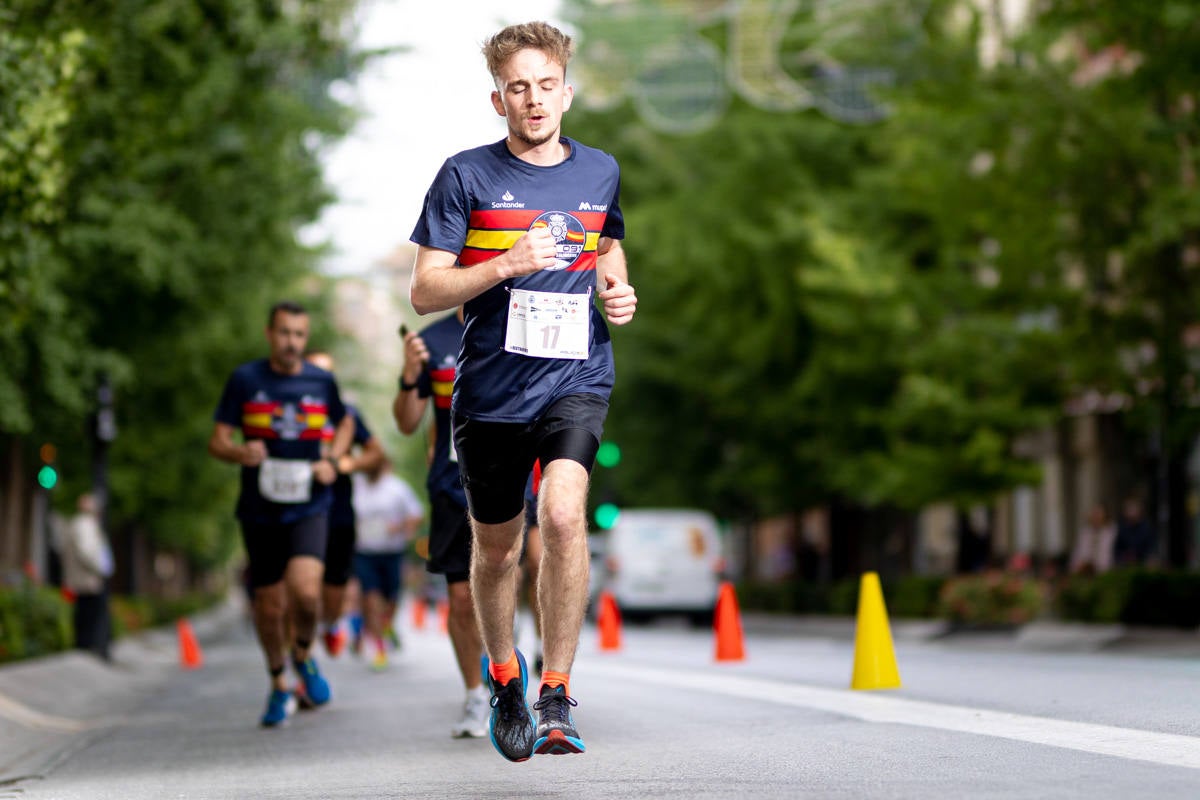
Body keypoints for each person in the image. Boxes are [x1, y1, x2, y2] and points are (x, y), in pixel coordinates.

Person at [407, 21, 637, 761]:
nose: (533, 100)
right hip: (490, 394)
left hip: (575, 376)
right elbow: (425, 290)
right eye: (517, 88)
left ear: (566, 92)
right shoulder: (464, 175)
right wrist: (506, 263)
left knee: (565, 515)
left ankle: (557, 689)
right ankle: (505, 675)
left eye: (545, 85)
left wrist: (617, 286)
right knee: (498, 552)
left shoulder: (600, 170)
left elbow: (606, 240)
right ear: (498, 99)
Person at [208, 301, 353, 727]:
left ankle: (304, 655)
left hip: (310, 502)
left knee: (306, 592)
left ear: (305, 339)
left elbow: (345, 424)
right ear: (270, 334)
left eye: (299, 335)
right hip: (260, 506)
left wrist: (334, 459)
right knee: (269, 605)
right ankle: (278, 681)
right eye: (285, 333)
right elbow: (217, 441)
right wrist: (240, 450)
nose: (291, 343)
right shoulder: (245, 380)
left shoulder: (321, 380)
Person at [393, 306, 491, 739]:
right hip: (452, 485)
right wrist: (409, 372)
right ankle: (475, 694)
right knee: (461, 598)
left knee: (512, 571)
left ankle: (505, 656)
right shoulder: (430, 341)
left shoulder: (515, 316)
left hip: (509, 476)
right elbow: (407, 421)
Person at [305, 350, 386, 659]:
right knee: (303, 584)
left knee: (334, 587)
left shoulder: (346, 415)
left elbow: (375, 452)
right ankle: (303, 651)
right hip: (297, 510)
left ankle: (329, 622)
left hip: (337, 512)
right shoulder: (290, 409)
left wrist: (347, 464)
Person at [351, 455, 423, 670]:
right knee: (370, 599)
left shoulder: (397, 488)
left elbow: (416, 515)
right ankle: (379, 648)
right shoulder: (356, 486)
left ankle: (386, 625)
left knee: (391, 599)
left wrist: (401, 527)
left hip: (392, 552)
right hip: (364, 552)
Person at [59, 493, 114, 661]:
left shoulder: (79, 523)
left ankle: (87, 646)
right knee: (92, 614)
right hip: (88, 579)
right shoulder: (84, 524)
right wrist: (102, 568)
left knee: (85, 613)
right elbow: (87, 552)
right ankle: (91, 647)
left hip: (82, 579)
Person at [1069, 504, 1117, 575]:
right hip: (1085, 571)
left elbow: (1110, 555)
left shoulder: (1111, 532)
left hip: (1105, 571)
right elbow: (1077, 553)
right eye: (1094, 514)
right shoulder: (1085, 533)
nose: (1096, 517)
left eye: (1098, 514)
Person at [1114, 495, 1157, 566]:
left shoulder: (1147, 528)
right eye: (1129, 510)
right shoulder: (1121, 528)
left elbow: (1152, 548)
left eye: (1133, 509)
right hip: (1125, 565)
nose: (1131, 513)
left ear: (1139, 511)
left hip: (1142, 563)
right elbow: (1117, 549)